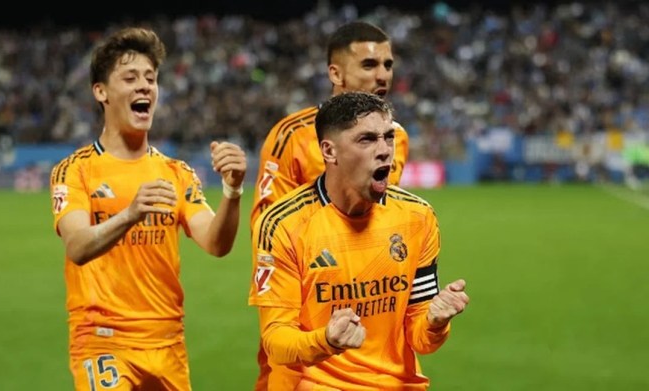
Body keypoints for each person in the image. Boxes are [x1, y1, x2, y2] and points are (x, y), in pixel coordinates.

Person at [49, 27, 246, 391]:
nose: (144, 86)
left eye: (151, 79)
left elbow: (216, 244)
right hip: (103, 340)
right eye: (130, 78)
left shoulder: (176, 173)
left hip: (167, 341)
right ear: (101, 91)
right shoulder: (75, 170)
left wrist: (232, 192)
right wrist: (130, 214)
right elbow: (76, 247)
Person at [248, 92, 469, 390]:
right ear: (329, 151)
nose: (384, 151)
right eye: (366, 139)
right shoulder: (284, 224)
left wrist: (435, 321)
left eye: (388, 137)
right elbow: (276, 340)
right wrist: (325, 340)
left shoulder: (417, 218)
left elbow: (422, 339)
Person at [249, 21, 410, 390]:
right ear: (335, 72)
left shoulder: (396, 137)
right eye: (369, 65)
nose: (382, 74)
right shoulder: (293, 135)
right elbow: (265, 227)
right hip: (307, 306)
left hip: (369, 301)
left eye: (387, 64)